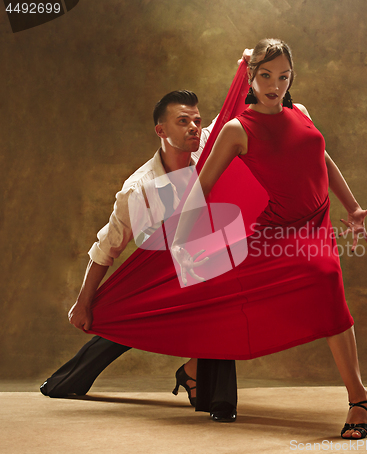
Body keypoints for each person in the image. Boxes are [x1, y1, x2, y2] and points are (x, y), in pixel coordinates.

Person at [171, 39, 367, 439]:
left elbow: (322, 159)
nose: (274, 85)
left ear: (291, 77)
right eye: (265, 75)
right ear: (250, 76)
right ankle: (193, 367)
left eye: (283, 76)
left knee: (326, 278)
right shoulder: (238, 129)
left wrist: (351, 208)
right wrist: (181, 240)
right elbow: (203, 186)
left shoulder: (300, 112)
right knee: (235, 298)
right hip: (275, 231)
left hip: (314, 224)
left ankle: (358, 398)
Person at [40, 90, 238, 420]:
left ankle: (216, 398)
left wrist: (250, 70)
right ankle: (65, 381)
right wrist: (83, 302)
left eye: (196, 121)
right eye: (182, 121)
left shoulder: (207, 146)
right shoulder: (139, 189)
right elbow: (107, 248)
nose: (193, 127)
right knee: (118, 322)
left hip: (201, 266)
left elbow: (235, 109)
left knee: (220, 304)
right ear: (161, 131)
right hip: (159, 277)